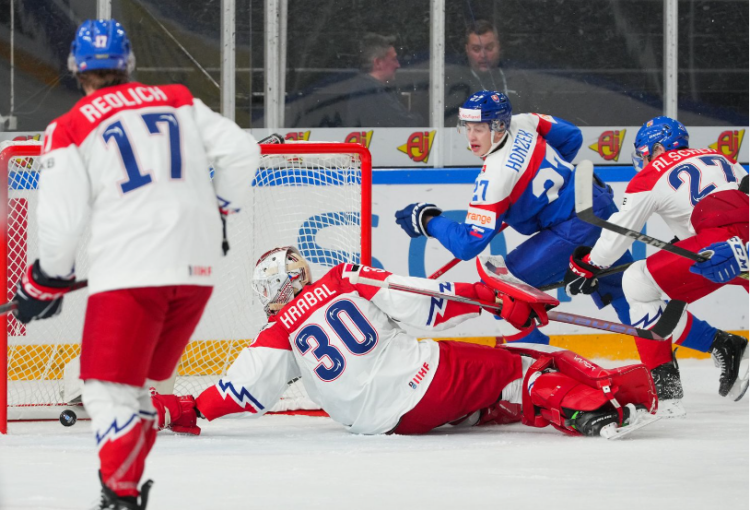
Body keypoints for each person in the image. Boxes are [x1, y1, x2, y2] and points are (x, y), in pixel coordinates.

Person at [11, 19, 260, 510]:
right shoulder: (177, 99)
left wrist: (44, 282)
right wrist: (222, 211)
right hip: (198, 269)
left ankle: (121, 496)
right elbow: (241, 151)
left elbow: (60, 223)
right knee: (137, 388)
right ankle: (124, 488)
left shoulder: (71, 126)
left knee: (104, 390)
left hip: (131, 269)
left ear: (76, 70)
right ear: (128, 64)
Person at [151, 246, 657, 439]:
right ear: (298, 274)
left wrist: (184, 410)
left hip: (388, 425)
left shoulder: (277, 332)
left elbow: (241, 392)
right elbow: (424, 302)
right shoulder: (345, 278)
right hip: (424, 380)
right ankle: (592, 409)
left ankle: (491, 410)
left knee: (487, 399)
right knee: (521, 368)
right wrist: (488, 299)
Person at [395, 90, 633, 344]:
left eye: (479, 129)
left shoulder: (494, 177)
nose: (471, 136)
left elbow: (467, 245)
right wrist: (538, 189)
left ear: (498, 126)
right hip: (600, 204)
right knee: (627, 292)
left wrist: (428, 220)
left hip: (573, 229)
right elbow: (572, 137)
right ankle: (662, 373)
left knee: (501, 294)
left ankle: (545, 370)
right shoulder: (525, 121)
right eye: (468, 127)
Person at [565, 116, 749, 415]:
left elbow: (618, 233)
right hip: (737, 240)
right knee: (664, 287)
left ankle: (666, 390)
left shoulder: (651, 174)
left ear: (659, 147)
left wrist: (590, 263)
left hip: (720, 243)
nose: (643, 158)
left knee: (636, 282)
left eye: (645, 151)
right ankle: (723, 345)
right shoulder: (720, 157)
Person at [444, 21, 533, 126]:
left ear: (499, 47)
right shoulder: (454, 83)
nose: (483, 55)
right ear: (467, 49)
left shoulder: (517, 81)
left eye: (489, 48)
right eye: (476, 49)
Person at [342, 33, 424, 128]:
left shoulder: (370, 87)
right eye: (394, 59)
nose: (398, 65)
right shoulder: (371, 91)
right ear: (378, 62)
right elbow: (404, 124)